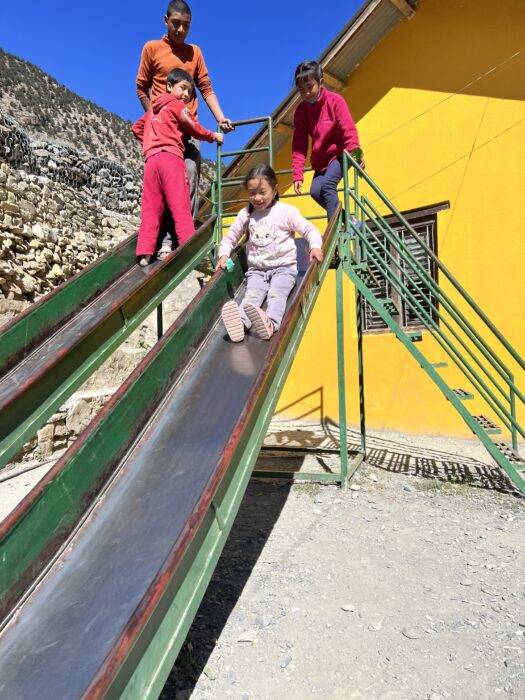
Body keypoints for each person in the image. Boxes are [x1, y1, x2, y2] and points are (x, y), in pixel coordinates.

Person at [136, 0, 234, 257]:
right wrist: (155, 118)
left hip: (189, 129)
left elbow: (205, 87)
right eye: (176, 23)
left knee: (187, 174)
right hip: (162, 136)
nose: (180, 29)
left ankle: (175, 239)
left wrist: (220, 117)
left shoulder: (195, 52)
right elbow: (141, 87)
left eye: (186, 25)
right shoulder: (152, 48)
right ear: (165, 21)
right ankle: (154, 239)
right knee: (160, 183)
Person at [216, 164, 324, 342]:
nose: (257, 198)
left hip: (284, 268)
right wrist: (224, 255)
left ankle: (271, 323)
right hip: (257, 271)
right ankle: (241, 324)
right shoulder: (246, 215)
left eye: (262, 192)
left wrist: (315, 246)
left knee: (276, 294)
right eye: (252, 193)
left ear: (275, 190)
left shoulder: (285, 212)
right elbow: (229, 238)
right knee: (252, 296)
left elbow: (309, 230)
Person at [132, 69, 224, 266]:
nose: (185, 95)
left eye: (189, 93)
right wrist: (212, 136)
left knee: (151, 208)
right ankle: (190, 249)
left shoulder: (152, 111)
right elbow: (192, 125)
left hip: (151, 162)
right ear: (168, 86)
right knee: (180, 204)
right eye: (183, 88)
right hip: (171, 159)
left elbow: (136, 127)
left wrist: (150, 142)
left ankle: (144, 254)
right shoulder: (176, 105)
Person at [292, 60, 364, 220]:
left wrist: (357, 155)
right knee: (315, 192)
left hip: (340, 155)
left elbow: (349, 129)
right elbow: (299, 144)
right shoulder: (301, 112)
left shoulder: (335, 101)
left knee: (327, 186)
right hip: (320, 161)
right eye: (301, 90)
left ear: (320, 82)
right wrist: (298, 173)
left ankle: (334, 232)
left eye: (310, 87)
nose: (306, 93)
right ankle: (349, 221)